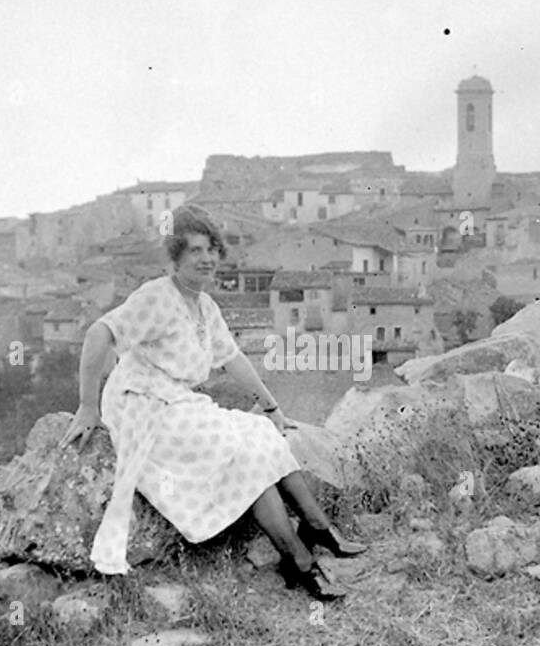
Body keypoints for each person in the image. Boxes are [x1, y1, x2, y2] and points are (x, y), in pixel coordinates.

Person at [59, 204, 364, 602]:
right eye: (195, 251)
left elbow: (233, 358)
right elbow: (99, 334)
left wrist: (271, 407)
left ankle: (318, 526)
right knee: (235, 450)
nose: (206, 259)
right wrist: (88, 406)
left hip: (178, 401)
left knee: (259, 431)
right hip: (142, 404)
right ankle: (299, 561)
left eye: (211, 250)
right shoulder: (156, 297)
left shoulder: (205, 306)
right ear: (176, 258)